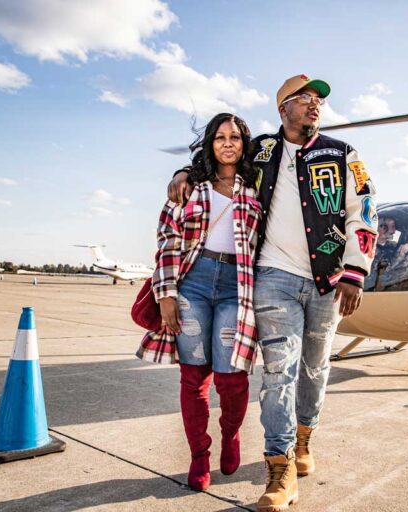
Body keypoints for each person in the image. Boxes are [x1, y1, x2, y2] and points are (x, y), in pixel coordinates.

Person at [169, 75, 378, 511]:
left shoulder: (342, 154)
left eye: (318, 99)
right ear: (283, 109)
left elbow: (365, 208)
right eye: (304, 100)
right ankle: (279, 469)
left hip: (328, 280)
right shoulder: (261, 151)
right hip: (273, 276)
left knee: (315, 369)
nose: (314, 105)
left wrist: (356, 270)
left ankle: (305, 438)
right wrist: (185, 171)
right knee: (278, 372)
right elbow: (221, 162)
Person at [138, 113, 261, 492]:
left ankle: (231, 436)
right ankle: (198, 456)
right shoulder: (190, 187)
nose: (228, 143)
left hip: (236, 286)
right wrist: (167, 295)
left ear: (244, 144)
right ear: (210, 143)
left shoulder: (257, 187)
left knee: (232, 377)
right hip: (194, 281)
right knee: (194, 377)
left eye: (235, 137)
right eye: (220, 137)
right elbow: (167, 241)